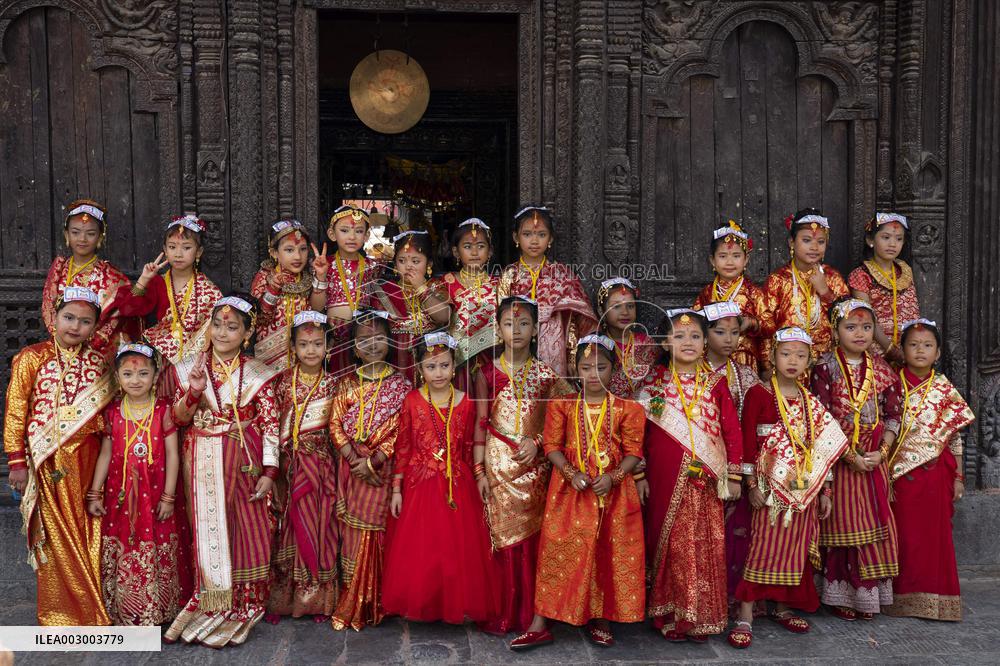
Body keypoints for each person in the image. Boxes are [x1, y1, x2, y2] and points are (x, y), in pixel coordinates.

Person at [165, 295, 282, 647]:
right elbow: (177, 419)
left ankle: (244, 602)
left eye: (232, 328)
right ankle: (211, 597)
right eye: (217, 325)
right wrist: (194, 392)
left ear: (247, 335)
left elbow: (272, 423)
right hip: (201, 456)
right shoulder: (190, 368)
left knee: (246, 526)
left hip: (244, 459)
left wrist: (270, 471)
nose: (222, 332)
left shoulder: (258, 373)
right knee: (209, 528)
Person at [728, 328, 848, 649]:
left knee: (794, 549)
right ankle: (746, 614)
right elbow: (748, 442)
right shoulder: (758, 394)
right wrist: (751, 483)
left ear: (809, 360)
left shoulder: (810, 401)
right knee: (761, 548)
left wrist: (826, 492)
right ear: (772, 356)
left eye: (800, 355)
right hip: (768, 489)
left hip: (801, 489)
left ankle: (782, 606)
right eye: (786, 354)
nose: (792, 361)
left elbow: (820, 448)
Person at [527, 335, 645, 649]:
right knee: (557, 549)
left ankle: (601, 617)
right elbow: (551, 446)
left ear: (614, 370)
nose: (593, 374)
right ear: (576, 369)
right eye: (585, 367)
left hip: (614, 493)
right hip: (569, 492)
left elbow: (634, 450)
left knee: (605, 551)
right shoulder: (561, 405)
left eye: (601, 367)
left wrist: (615, 476)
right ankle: (540, 621)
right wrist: (570, 472)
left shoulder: (628, 409)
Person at [5, 287, 114, 625]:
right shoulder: (31, 358)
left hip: (90, 461)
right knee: (54, 536)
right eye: (68, 317)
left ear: (95, 326)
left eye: (85, 321)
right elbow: (15, 412)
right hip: (47, 463)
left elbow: (110, 418)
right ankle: (61, 614)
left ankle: (94, 607)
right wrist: (17, 462)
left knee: (88, 531)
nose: (74, 327)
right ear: (54, 316)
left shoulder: (100, 363)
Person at [636, 309, 742, 642]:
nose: (688, 342)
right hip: (664, 477)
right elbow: (636, 432)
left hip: (707, 480)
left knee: (703, 545)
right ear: (666, 343)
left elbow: (732, 431)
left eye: (695, 336)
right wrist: (639, 474)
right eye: (679, 337)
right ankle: (670, 614)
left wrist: (736, 475)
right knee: (669, 547)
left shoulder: (716, 384)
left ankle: (703, 618)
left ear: (705, 341)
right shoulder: (653, 384)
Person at [381, 333, 501, 625]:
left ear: (454, 366)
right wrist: (396, 488)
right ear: (420, 368)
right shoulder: (412, 401)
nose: (438, 373)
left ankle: (453, 603)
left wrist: (479, 473)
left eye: (444, 365)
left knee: (455, 550)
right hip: (419, 484)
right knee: (423, 548)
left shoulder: (466, 402)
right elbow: (404, 445)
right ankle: (426, 602)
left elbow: (472, 445)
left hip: (457, 484)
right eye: (431, 367)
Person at [474, 296, 573, 637]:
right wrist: (478, 471)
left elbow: (563, 422)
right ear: (497, 329)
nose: (516, 330)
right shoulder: (486, 372)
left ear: (535, 331)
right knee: (500, 538)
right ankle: (502, 610)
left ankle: (534, 613)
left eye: (524, 324)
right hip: (496, 465)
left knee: (532, 541)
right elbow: (479, 422)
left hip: (534, 469)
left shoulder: (547, 376)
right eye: (508, 324)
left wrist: (540, 444)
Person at [87, 343, 192, 625]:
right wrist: (95, 492)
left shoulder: (163, 410)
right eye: (128, 374)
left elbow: (172, 454)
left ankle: (160, 607)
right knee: (126, 542)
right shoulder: (112, 412)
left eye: (143, 373)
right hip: (120, 494)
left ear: (156, 376)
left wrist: (169, 497)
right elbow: (106, 453)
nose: (136, 381)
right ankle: (128, 608)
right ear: (117, 377)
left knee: (158, 542)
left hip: (156, 492)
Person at [812, 298, 902, 620]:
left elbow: (894, 413)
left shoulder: (881, 369)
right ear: (836, 331)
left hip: (874, 459)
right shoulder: (824, 367)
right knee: (843, 527)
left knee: (874, 527)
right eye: (851, 327)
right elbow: (820, 416)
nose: (860, 334)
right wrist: (850, 457)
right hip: (840, 461)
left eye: (866, 327)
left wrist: (883, 452)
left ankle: (868, 597)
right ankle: (842, 595)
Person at [884, 319, 975, 621]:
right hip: (897, 476)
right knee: (903, 538)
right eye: (913, 344)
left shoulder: (943, 388)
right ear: (903, 349)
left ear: (937, 353)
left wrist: (959, 477)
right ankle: (895, 598)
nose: (920, 350)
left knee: (933, 539)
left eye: (927, 346)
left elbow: (954, 437)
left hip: (934, 474)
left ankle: (935, 600)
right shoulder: (889, 382)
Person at [329, 310, 412, 631]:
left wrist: (372, 462)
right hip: (352, 471)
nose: (373, 345)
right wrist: (353, 459)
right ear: (355, 347)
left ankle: (377, 600)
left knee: (378, 532)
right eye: (365, 340)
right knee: (352, 534)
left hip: (382, 471)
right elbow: (335, 424)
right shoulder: (346, 384)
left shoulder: (401, 386)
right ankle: (353, 596)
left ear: (389, 343)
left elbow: (400, 432)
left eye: (379, 338)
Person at [267, 312, 341, 622]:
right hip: (288, 469)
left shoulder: (335, 383)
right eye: (303, 344)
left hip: (320, 468)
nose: (310, 351)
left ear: (328, 347)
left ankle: (317, 601)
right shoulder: (282, 382)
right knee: (288, 531)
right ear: (292, 347)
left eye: (317, 344)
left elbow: (338, 430)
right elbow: (272, 424)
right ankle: (284, 601)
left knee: (319, 528)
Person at [700, 300, 760, 608]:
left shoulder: (746, 376)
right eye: (720, 332)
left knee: (735, 535)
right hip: (697, 463)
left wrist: (743, 472)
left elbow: (754, 423)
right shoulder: (689, 371)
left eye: (735, 333)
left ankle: (732, 599)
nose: (728, 339)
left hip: (733, 465)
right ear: (704, 333)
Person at [497, 206, 597, 377]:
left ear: (550, 238)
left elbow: (574, 318)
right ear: (516, 237)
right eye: (527, 234)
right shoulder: (509, 275)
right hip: (517, 339)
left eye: (541, 235)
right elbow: (500, 314)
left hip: (554, 345)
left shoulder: (562, 274)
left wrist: (573, 353)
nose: (534, 241)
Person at [115, 214, 221, 370]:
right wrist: (144, 279)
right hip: (158, 358)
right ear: (164, 250)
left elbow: (216, 331)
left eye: (186, 247)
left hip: (194, 362)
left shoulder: (209, 290)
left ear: (198, 252)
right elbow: (127, 310)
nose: (178, 254)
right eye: (172, 247)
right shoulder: (157, 282)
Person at [41, 199, 134, 358]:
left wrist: (91, 343)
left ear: (100, 237)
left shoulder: (113, 277)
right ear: (66, 234)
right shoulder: (59, 269)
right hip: (59, 346)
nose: (82, 239)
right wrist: (61, 339)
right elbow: (48, 306)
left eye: (90, 233)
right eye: (75, 232)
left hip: (97, 350)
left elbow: (113, 319)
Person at [759, 209, 850, 371]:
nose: (814, 247)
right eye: (807, 240)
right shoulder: (778, 280)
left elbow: (848, 321)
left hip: (827, 365)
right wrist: (767, 367)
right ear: (792, 242)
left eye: (821, 242)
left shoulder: (833, 277)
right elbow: (766, 327)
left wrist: (825, 292)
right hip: (787, 365)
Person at [315, 205, 385, 377]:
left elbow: (376, 302)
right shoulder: (326, 264)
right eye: (345, 231)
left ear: (367, 235)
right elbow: (316, 308)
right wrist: (321, 276)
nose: (352, 237)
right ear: (332, 234)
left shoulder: (373, 266)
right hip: (334, 338)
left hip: (363, 338)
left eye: (359, 231)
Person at [375, 231, 451, 384]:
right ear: (395, 264)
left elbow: (444, 317)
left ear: (429, 264)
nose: (408, 266)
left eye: (416, 261)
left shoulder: (437, 286)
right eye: (402, 261)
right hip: (396, 358)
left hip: (432, 357)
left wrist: (421, 287)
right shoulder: (384, 291)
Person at [848, 213, 920, 365]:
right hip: (876, 350)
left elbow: (913, 312)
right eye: (886, 238)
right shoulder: (861, 275)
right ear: (870, 240)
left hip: (907, 350)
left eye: (898, 239)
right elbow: (866, 319)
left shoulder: (906, 272)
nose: (893, 244)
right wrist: (891, 350)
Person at [692, 221, 764, 371]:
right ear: (712, 260)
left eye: (736, 256)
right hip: (711, 357)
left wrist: (751, 323)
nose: (729, 262)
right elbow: (695, 323)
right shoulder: (706, 292)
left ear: (746, 260)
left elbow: (769, 325)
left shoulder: (753, 293)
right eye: (723, 256)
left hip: (744, 356)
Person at [443, 218, 500, 394]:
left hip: (493, 358)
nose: (475, 252)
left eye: (481, 246)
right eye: (467, 246)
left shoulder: (500, 283)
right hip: (458, 361)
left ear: (490, 251)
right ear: (456, 252)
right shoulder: (445, 283)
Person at [251, 219, 317, 370]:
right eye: (289, 250)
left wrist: (320, 279)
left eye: (303, 249)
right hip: (269, 356)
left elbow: (317, 310)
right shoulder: (264, 277)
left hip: (301, 354)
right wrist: (273, 290)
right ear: (274, 253)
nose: (297, 256)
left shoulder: (308, 277)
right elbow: (259, 319)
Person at [597, 278, 658, 398]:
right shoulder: (596, 345)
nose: (625, 312)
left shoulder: (647, 343)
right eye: (616, 307)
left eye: (630, 306)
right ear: (601, 311)